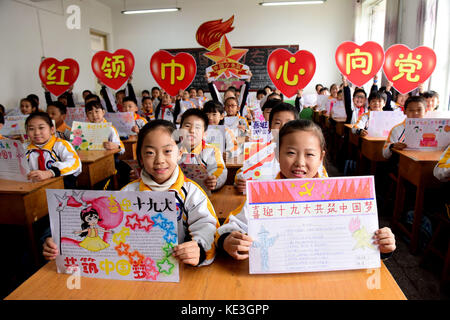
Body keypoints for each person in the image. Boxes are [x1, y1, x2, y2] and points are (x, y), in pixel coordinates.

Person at [216, 119, 396, 260]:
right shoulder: (264, 195)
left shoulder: (341, 198)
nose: (300, 163)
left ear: (321, 157)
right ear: (277, 155)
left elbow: (359, 238)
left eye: (310, 154)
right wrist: (228, 241)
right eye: (291, 153)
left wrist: (382, 245)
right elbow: (229, 227)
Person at [115, 120, 217, 266]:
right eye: (150, 153)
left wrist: (199, 249)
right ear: (141, 158)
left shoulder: (191, 192)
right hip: (136, 266)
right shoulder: (127, 193)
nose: (159, 160)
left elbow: (206, 225)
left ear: (179, 153)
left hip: (179, 267)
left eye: (167, 151)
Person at [24, 112, 81, 188]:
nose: (37, 133)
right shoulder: (23, 148)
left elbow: (75, 163)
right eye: (31, 129)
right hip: (32, 188)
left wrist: (51, 172)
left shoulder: (61, 145)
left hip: (61, 188)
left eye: (41, 128)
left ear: (52, 129)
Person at [178, 108, 227, 191]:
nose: (192, 130)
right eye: (187, 126)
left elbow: (219, 168)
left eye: (197, 127)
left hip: (203, 194)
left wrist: (214, 180)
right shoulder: (172, 150)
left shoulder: (212, 150)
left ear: (204, 133)